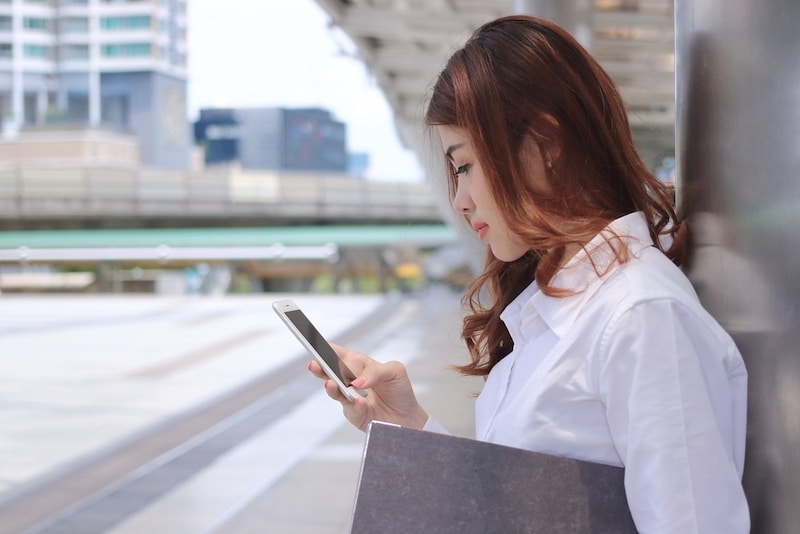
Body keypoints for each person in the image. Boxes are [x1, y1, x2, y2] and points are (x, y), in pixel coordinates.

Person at [308, 15, 749, 533]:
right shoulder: (566, 308)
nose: (460, 198)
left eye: (466, 164)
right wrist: (406, 428)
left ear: (545, 143)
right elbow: (522, 511)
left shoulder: (642, 317)